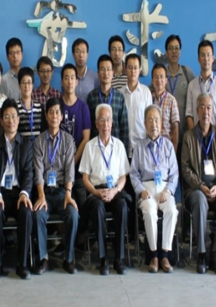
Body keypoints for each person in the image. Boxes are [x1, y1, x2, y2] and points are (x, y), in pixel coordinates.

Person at [181, 93, 216, 275]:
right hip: (196, 189)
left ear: (213, 111)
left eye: (209, 108)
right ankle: (202, 253)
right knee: (200, 201)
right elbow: (185, 168)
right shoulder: (188, 137)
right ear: (197, 110)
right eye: (202, 107)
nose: (206, 111)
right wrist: (201, 186)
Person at [79, 103, 131, 275]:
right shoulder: (90, 146)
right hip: (96, 191)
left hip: (114, 190)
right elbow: (85, 177)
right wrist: (95, 192)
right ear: (96, 123)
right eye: (102, 120)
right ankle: (103, 259)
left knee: (122, 207)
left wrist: (115, 190)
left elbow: (123, 176)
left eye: (108, 120)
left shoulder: (119, 145)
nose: (105, 124)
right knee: (97, 208)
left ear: (112, 123)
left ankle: (119, 258)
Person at [0, 99, 34, 280]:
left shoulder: (26, 143)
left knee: (26, 212)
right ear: (1, 121)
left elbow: (28, 172)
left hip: (19, 192)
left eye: (13, 116)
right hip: (1, 192)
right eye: (6, 116)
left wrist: (24, 193)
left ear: (18, 119)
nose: (11, 120)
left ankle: (22, 265)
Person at [130, 105, 179, 274]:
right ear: (145, 123)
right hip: (147, 189)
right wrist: (140, 190)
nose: (154, 124)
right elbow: (134, 174)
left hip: (164, 188)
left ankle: (165, 254)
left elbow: (174, 174)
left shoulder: (168, 146)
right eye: (150, 120)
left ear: (161, 123)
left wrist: (169, 191)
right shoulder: (139, 147)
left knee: (172, 210)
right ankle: (153, 256)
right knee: (150, 211)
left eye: (156, 120)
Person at [32, 98, 79, 275]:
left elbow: (70, 170)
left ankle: (69, 258)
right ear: (46, 116)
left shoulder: (68, 140)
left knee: (73, 214)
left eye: (57, 112)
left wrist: (68, 193)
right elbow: (38, 172)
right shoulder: (39, 141)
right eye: (50, 112)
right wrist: (41, 196)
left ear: (61, 116)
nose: (54, 116)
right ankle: (43, 258)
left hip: (61, 192)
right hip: (44, 191)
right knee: (38, 215)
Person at [59, 63, 91, 209]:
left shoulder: (83, 107)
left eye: (72, 77)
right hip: (59, 170)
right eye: (66, 78)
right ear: (62, 82)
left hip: (78, 170)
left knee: (82, 209)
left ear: (77, 81)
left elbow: (86, 138)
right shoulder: (57, 107)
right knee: (62, 209)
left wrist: (72, 162)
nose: (70, 81)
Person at [86, 54, 130, 151]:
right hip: (96, 149)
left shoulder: (119, 97)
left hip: (116, 150)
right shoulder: (91, 97)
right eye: (102, 69)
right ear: (98, 73)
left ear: (113, 72)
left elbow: (124, 128)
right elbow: (89, 127)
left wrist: (124, 153)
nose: (106, 73)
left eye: (108, 69)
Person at [185, 40, 216, 133]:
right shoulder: (192, 85)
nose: (206, 58)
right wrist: (194, 136)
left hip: (214, 137)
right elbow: (189, 114)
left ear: (213, 58)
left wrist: (214, 136)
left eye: (208, 55)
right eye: (203, 55)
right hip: (195, 137)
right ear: (198, 59)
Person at [164, 35, 196, 149]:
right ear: (166, 52)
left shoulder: (187, 73)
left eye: (176, 48)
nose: (174, 51)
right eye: (171, 48)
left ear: (180, 52)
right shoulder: (162, 74)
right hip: (166, 136)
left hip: (185, 134)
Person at [121, 53, 152, 159]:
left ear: (140, 70)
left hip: (142, 147)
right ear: (125, 69)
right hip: (123, 147)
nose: (133, 71)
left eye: (135, 68)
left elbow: (149, 119)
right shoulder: (120, 93)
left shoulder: (146, 92)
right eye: (130, 67)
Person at [151, 63, 180, 152]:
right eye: (156, 77)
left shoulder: (172, 100)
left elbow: (175, 128)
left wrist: (174, 152)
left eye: (161, 77)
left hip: (167, 148)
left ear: (166, 80)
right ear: (152, 80)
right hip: (151, 147)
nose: (159, 80)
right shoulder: (148, 99)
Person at [17, 67, 45, 137]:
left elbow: (43, 130)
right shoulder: (15, 107)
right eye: (24, 83)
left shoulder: (39, 106)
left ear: (32, 85)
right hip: (21, 143)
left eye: (29, 82)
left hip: (38, 143)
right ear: (19, 85)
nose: (26, 86)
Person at [73, 38, 99, 102]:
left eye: (83, 52)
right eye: (78, 52)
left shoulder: (95, 77)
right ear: (73, 55)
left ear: (87, 54)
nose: (81, 55)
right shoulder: (69, 76)